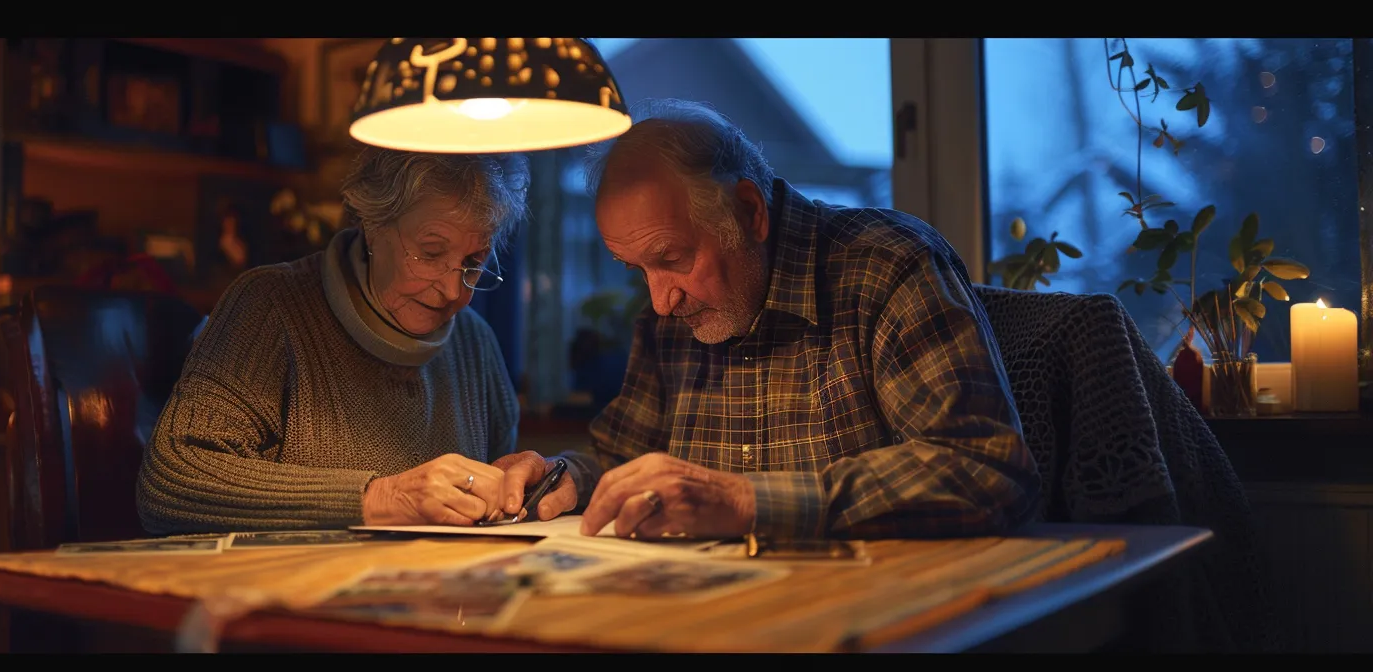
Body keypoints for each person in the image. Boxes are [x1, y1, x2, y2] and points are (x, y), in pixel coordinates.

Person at [529, 98, 1041, 541]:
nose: (661, 302)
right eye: (638, 270)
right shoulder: (671, 316)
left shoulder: (885, 267)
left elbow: (984, 469)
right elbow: (623, 458)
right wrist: (562, 477)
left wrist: (745, 502)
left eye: (672, 258)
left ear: (750, 211)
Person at [137, 145, 557, 535]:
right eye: (430, 253)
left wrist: (521, 482)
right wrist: (383, 498)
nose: (452, 291)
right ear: (371, 225)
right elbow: (171, 479)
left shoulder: (475, 343)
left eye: (472, 262)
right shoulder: (271, 306)